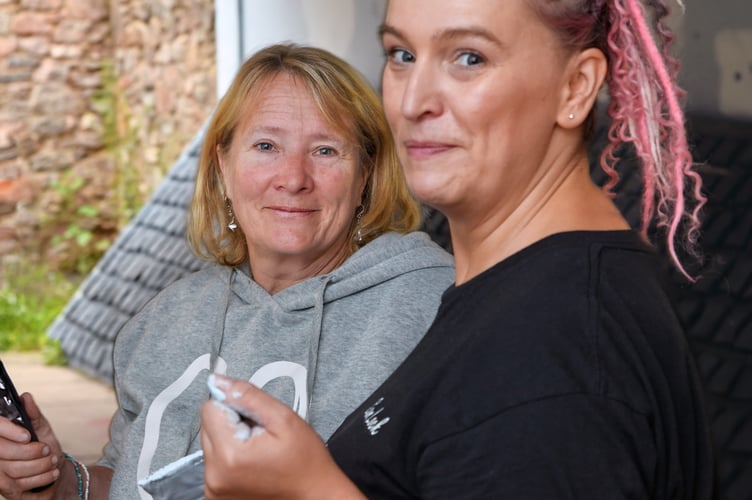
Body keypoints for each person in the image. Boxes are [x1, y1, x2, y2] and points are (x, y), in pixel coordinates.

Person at [199, 0, 717, 498]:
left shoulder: (546, 359)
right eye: (401, 55)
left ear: (575, 88)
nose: (411, 102)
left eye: (469, 58)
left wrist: (308, 490)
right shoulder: (527, 291)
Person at [0, 43, 454, 499]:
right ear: (223, 166)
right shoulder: (166, 319)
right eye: (265, 146)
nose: (293, 177)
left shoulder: (432, 306)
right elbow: (126, 481)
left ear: (365, 176)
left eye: (324, 149)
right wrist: (60, 483)